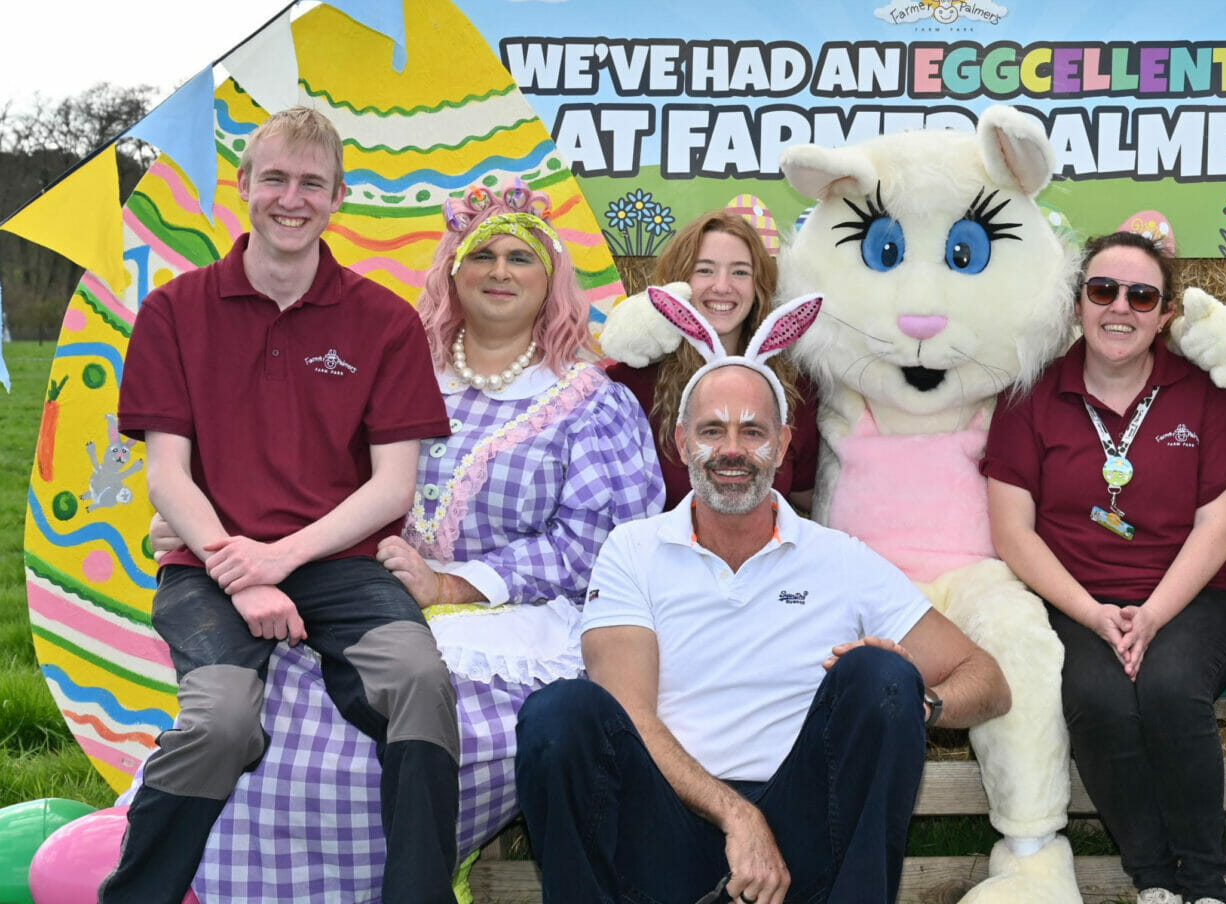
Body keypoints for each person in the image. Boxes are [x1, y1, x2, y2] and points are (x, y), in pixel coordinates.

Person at [146, 179, 668, 901]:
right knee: (273, 733)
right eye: (481, 255)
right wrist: (194, 521)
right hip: (352, 593)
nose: (500, 271)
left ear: (552, 281)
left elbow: (605, 545)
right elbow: (296, 473)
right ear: (453, 272)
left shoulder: (590, 404)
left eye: (522, 257)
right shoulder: (393, 368)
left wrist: (454, 583)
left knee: (415, 730)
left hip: (510, 620)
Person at [515, 291, 1012, 904]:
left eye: (752, 432)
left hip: (805, 825)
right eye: (712, 430)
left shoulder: (840, 557)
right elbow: (630, 713)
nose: (731, 450)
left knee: (880, 672)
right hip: (667, 823)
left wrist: (918, 702)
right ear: (679, 441)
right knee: (558, 714)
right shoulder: (632, 549)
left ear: (781, 445)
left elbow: (986, 679)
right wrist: (737, 817)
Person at [105, 107, 460, 904]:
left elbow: (391, 489)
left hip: (339, 563)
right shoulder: (174, 310)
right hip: (207, 562)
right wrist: (242, 573)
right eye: (274, 179)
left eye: (311, 183)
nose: (290, 199)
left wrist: (280, 560)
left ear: (339, 197)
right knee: (221, 723)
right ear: (243, 187)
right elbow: (168, 477)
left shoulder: (384, 321)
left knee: (418, 682)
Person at [982, 231, 1226, 904]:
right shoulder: (1030, 395)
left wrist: (1152, 615)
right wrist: (1094, 615)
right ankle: (1155, 879)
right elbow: (1013, 532)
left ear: (1164, 315)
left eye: (1141, 295)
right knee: (1097, 701)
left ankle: (1207, 884)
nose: (1119, 308)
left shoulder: (1205, 395)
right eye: (1103, 290)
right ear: (1078, 304)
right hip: (1072, 599)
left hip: (1187, 597)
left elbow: (1219, 525)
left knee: (1169, 690)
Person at [607, 210, 819, 509]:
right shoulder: (629, 387)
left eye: (740, 272)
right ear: (679, 281)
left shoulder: (794, 387)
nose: (722, 286)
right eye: (705, 270)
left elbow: (808, 496)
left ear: (759, 286)